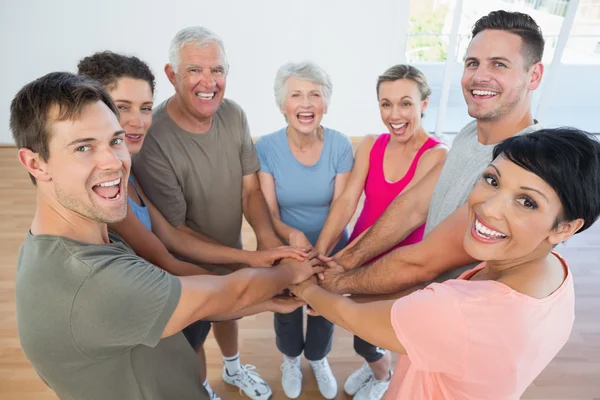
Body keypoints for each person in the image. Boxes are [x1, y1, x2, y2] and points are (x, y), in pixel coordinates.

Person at [11, 72, 323, 400]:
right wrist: (292, 271)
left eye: (115, 141)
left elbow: (198, 297)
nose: (114, 162)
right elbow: (224, 291)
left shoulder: (84, 235)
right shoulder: (90, 281)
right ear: (35, 163)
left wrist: (266, 298)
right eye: (84, 147)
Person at [294, 128, 600, 399]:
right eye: (492, 180)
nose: (489, 208)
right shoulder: (557, 273)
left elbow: (352, 316)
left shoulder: (458, 313)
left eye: (527, 202)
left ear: (566, 227)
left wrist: (307, 288)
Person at [320, 10, 546, 305]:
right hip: (425, 308)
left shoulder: (525, 164)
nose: (479, 76)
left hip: (460, 322)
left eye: (499, 64)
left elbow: (423, 262)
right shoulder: (469, 133)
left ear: (534, 75)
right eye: (472, 63)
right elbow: (412, 207)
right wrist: (345, 260)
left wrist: (335, 283)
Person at [133, 27, 286, 400]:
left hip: (230, 246)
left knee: (230, 315)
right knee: (195, 336)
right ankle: (202, 387)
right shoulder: (153, 140)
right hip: (184, 266)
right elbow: (177, 231)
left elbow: (250, 190)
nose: (208, 82)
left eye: (217, 70)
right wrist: (251, 260)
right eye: (194, 70)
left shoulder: (233, 115)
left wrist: (266, 242)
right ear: (171, 75)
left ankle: (233, 369)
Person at [77, 51, 305, 278]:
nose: (138, 121)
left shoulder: (125, 175)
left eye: (145, 108)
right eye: (123, 107)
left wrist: (250, 262)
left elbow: (169, 236)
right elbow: (168, 264)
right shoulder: (106, 187)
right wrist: (258, 282)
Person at [313, 64, 447, 399]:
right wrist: (321, 254)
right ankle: (376, 365)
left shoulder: (436, 155)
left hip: (400, 267)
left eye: (405, 103)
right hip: (359, 256)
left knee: (379, 333)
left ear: (424, 105)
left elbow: (402, 215)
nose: (395, 114)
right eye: (386, 104)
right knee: (363, 330)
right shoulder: (371, 144)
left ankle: (383, 374)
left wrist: (341, 263)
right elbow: (346, 202)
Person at [255, 61, 353, 399]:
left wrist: (321, 252)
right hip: (286, 248)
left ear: (326, 103)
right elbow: (268, 214)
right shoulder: (265, 147)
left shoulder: (341, 145)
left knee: (323, 309)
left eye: (315, 95)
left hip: (331, 245)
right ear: (283, 105)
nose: (306, 104)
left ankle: (319, 357)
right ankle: (291, 358)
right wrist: (293, 241)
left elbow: (342, 206)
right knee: (287, 308)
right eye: (296, 95)